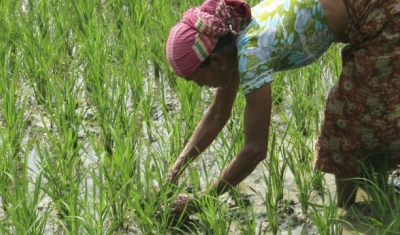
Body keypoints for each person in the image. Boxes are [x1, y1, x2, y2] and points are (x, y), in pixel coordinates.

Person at [164, 0, 400, 217]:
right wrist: (175, 170)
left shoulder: (251, 52)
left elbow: (255, 150)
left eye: (198, 79)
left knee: (347, 118)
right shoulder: (234, 39)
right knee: (365, 112)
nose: (202, 86)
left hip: (382, 15)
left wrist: (201, 202)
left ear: (216, 61)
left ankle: (350, 215)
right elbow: (218, 113)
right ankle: (369, 198)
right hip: (368, 13)